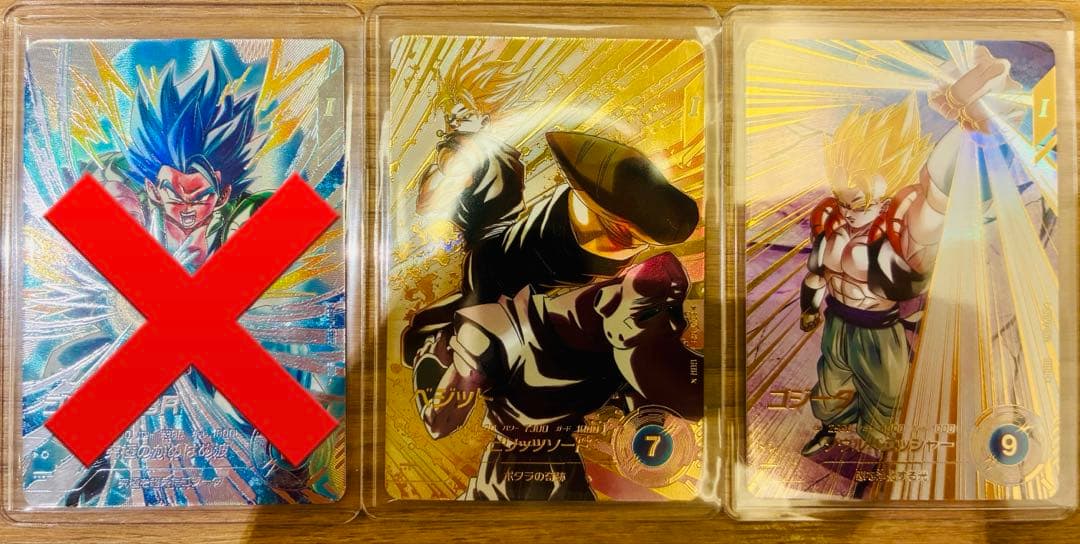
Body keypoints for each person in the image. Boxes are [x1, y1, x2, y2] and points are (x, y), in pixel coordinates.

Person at [798, 46, 1016, 454]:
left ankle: (881, 448)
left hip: (879, 330)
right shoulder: (829, 220)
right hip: (837, 322)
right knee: (830, 388)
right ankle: (831, 426)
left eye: (861, 185)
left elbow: (940, 193)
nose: (850, 198)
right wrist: (809, 308)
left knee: (885, 397)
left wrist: (977, 124)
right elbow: (816, 275)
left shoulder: (903, 224)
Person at [416, 252, 703, 500]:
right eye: (643, 319)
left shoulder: (622, 351)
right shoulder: (499, 330)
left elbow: (662, 419)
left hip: (564, 480)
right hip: (504, 482)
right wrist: (430, 365)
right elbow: (440, 423)